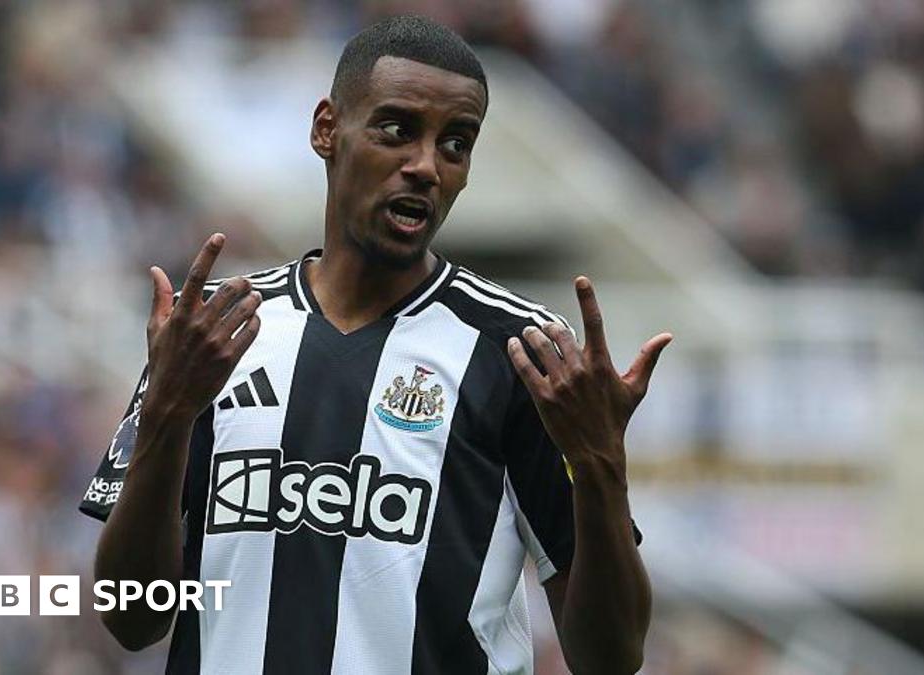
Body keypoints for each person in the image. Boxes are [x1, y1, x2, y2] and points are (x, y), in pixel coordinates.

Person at [81, 15, 670, 675]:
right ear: (326, 129)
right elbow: (130, 614)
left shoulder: (519, 353)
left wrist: (600, 468)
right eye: (397, 130)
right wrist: (165, 412)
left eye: (456, 143)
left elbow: (612, 657)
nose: (425, 165)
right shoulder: (211, 331)